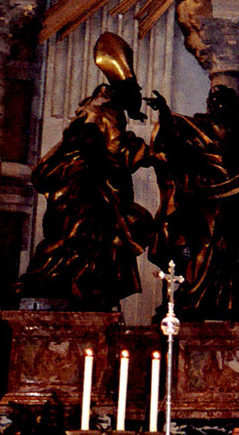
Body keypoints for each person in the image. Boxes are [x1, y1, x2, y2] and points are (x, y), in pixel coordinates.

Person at [15, 33, 154, 309]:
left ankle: (78, 281)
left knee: (87, 234)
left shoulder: (103, 113)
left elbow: (117, 151)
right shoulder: (97, 116)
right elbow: (115, 151)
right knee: (72, 233)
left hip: (86, 185)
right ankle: (67, 280)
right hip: (78, 184)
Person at [147, 84, 239, 320]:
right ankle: (193, 296)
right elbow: (173, 141)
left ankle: (228, 302)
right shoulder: (198, 129)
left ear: (234, 107)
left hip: (237, 205)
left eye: (223, 101)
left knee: (231, 254)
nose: (217, 106)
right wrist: (165, 113)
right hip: (203, 204)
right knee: (202, 248)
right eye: (213, 101)